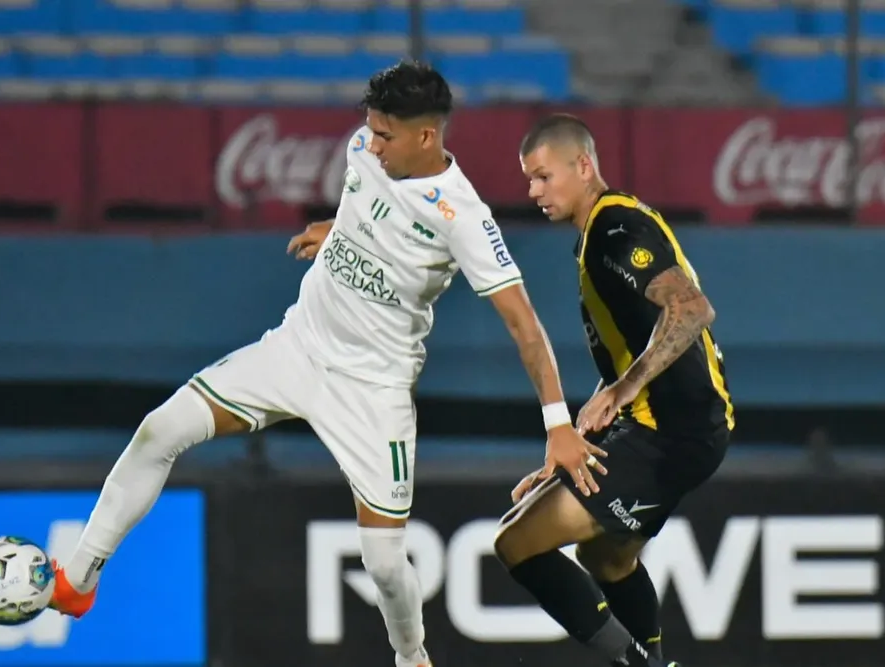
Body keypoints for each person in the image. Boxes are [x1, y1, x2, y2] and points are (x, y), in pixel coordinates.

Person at [47, 64, 606, 667]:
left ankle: (412, 657)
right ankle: (78, 579)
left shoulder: (462, 217)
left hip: (374, 391)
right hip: (297, 347)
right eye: (371, 129)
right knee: (161, 429)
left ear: (426, 137)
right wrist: (338, 231)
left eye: (387, 135)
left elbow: (525, 326)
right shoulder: (365, 147)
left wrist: (557, 425)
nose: (372, 142)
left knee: (385, 565)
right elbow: (366, 204)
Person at [492, 113, 735, 667]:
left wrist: (623, 388)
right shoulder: (599, 234)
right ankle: (651, 657)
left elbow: (692, 308)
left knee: (516, 542)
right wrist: (573, 444)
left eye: (544, 176)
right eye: (529, 179)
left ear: (583, 166)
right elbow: (640, 339)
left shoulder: (614, 229)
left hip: (669, 433)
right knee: (606, 560)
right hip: (677, 430)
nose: (533, 192)